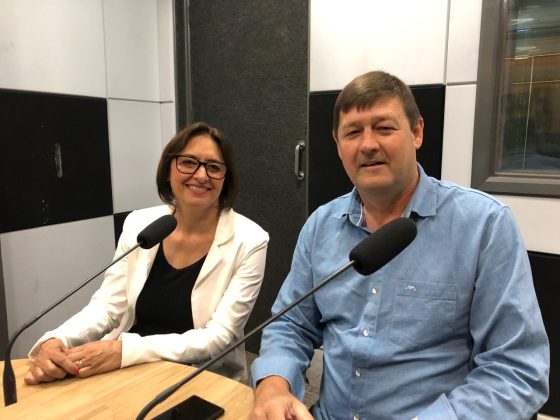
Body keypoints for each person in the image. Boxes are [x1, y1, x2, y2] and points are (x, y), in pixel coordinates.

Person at [250, 71, 549, 419]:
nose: (367, 144)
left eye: (384, 128)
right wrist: (273, 387)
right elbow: (290, 325)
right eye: (353, 132)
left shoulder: (484, 225)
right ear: (337, 144)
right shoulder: (321, 226)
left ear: (417, 132)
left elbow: (517, 370)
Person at [25, 122, 269, 384]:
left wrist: (125, 351)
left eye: (214, 167)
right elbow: (108, 306)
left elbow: (219, 337)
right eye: (188, 162)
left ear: (226, 179)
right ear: (168, 171)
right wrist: (58, 339)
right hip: (128, 370)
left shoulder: (250, 240)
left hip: (200, 376)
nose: (201, 175)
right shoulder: (139, 224)